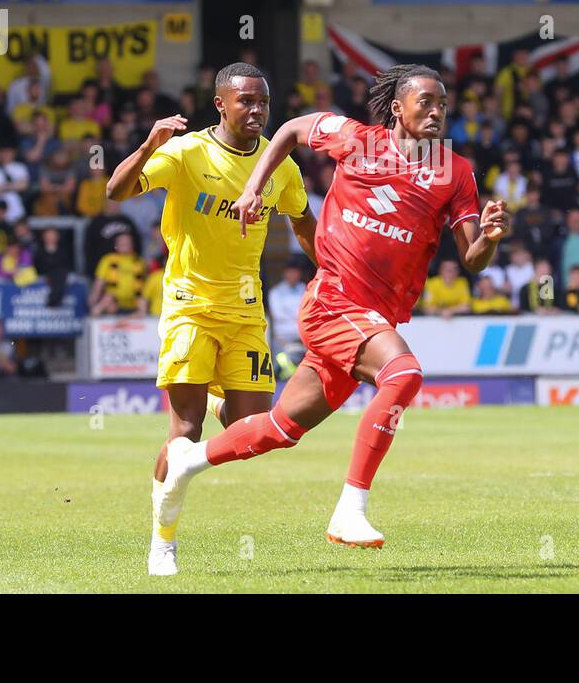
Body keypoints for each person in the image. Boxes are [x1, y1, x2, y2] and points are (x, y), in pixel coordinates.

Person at [154, 63, 508, 564]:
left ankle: (191, 461)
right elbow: (292, 130)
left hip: (375, 316)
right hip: (334, 301)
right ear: (397, 108)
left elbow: (471, 259)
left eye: (442, 104)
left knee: (278, 429)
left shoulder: (457, 172)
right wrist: (255, 186)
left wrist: (490, 238)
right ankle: (350, 508)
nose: (435, 112)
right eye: (425, 102)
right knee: (403, 374)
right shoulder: (356, 139)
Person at [104, 61, 316, 578]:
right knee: (185, 429)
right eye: (246, 101)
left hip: (246, 310)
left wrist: (333, 271)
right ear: (220, 103)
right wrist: (149, 143)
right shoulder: (186, 152)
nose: (257, 110)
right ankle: (162, 543)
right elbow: (116, 191)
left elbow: (305, 223)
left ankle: (217, 395)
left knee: (258, 431)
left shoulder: (279, 165)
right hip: (189, 306)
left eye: (263, 102)